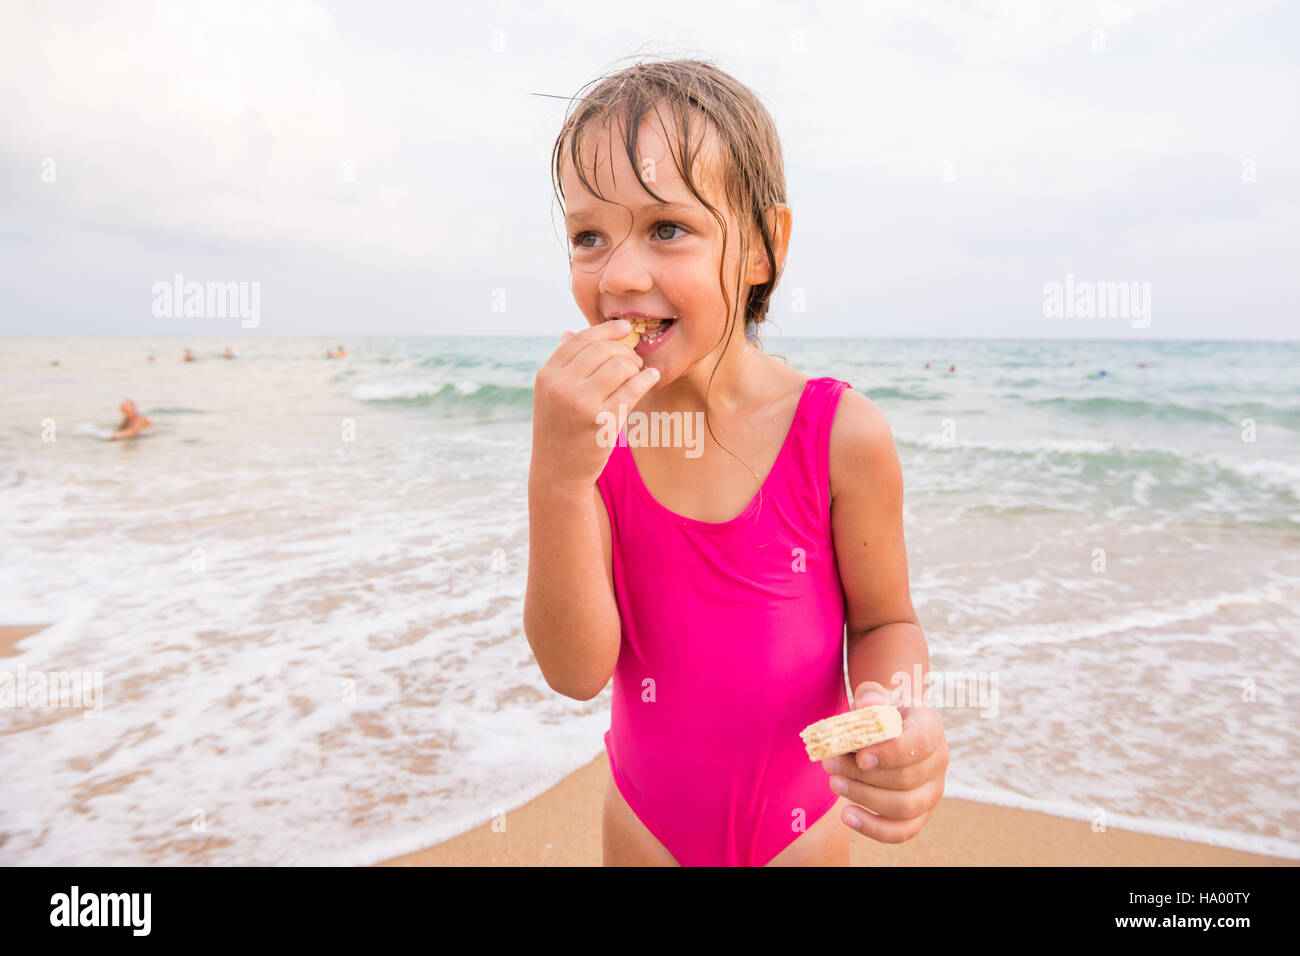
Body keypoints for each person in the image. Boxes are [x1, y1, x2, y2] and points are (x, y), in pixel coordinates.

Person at [526, 59, 946, 867]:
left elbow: (887, 622)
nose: (618, 275)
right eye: (588, 236)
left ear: (762, 245)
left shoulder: (839, 434)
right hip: (644, 832)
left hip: (805, 836)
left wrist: (897, 712)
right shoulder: (595, 440)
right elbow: (576, 671)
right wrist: (556, 478)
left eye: (667, 229)